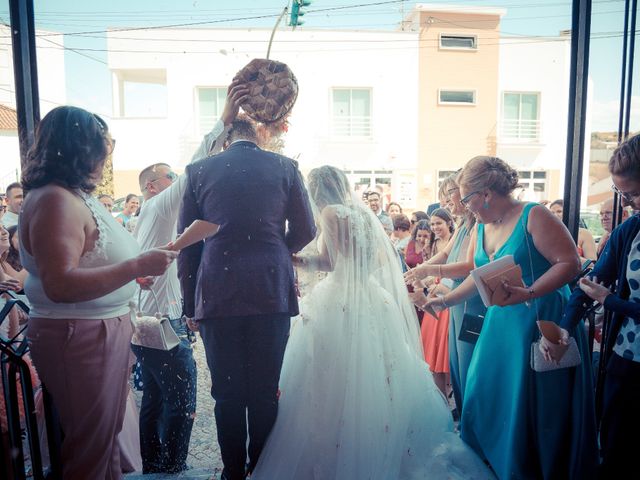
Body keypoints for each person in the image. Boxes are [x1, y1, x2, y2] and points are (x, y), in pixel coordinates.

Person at [251, 166, 492, 479]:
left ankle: (338, 444)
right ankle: (384, 437)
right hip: (371, 294)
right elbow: (376, 259)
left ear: (317, 191)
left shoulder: (330, 214)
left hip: (340, 299)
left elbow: (331, 262)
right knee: (376, 369)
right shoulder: (363, 214)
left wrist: (296, 258)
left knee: (332, 373)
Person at [19, 106, 177, 480]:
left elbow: (88, 264)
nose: (106, 157)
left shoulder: (73, 195)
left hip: (97, 329)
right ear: (80, 149)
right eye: (103, 148)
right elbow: (60, 284)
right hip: (80, 336)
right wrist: (135, 267)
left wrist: (127, 279)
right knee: (89, 447)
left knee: (105, 441)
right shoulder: (56, 200)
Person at [423, 156, 597, 479]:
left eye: (466, 199)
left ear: (486, 193)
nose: (464, 208)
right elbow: (478, 275)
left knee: (531, 406)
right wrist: (445, 301)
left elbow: (570, 262)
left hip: (538, 320)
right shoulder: (482, 225)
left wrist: (529, 292)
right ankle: (493, 464)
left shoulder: (534, 215)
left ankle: (525, 468)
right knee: (480, 394)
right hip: (500, 324)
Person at [177, 115, 316, 480]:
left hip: (217, 294)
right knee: (265, 389)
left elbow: (187, 245)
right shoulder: (285, 167)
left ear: (226, 141)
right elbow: (307, 228)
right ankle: (263, 468)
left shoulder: (198, 171)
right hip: (270, 291)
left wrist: (189, 303)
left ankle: (233, 472)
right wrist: (275, 250)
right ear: (259, 137)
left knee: (226, 392)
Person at [132, 82, 248, 474]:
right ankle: (174, 467)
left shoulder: (145, 217)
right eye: (168, 176)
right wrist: (224, 121)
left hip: (145, 322)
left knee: (154, 399)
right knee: (182, 402)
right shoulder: (159, 205)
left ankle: (153, 463)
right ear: (153, 186)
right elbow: (194, 169)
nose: (176, 179)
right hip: (161, 324)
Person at [560, 135, 640, 478]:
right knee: (615, 444)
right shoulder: (630, 230)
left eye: (633, 194)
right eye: (622, 194)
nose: (629, 203)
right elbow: (595, 278)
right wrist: (564, 327)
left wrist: (611, 301)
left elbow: (605, 294)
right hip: (626, 359)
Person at [406, 174, 485, 415]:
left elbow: (470, 265)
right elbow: (444, 255)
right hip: (457, 303)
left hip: (471, 300)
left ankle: (470, 416)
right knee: (456, 361)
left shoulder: (479, 225)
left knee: (468, 360)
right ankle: (462, 412)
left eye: (448, 196)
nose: (446, 203)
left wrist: (428, 269)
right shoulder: (463, 225)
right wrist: (420, 270)